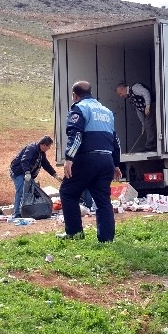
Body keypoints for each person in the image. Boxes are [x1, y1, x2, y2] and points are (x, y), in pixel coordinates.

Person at [59, 80, 121, 242]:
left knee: (68, 192)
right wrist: (116, 164)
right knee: (102, 200)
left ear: (75, 96)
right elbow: (115, 141)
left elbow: (76, 135)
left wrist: (69, 158)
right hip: (106, 160)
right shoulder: (107, 111)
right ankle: (106, 239)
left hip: (87, 158)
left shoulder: (79, 108)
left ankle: (74, 233)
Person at [9, 136, 58, 220]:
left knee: (28, 193)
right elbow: (24, 160)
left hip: (27, 174)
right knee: (20, 191)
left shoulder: (41, 153)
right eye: (48, 146)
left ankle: (24, 212)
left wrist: (55, 175)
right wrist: (27, 172)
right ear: (43, 145)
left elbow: (46, 165)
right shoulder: (31, 148)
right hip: (18, 172)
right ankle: (16, 214)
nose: (49, 148)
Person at [116, 81, 157, 152]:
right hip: (146, 109)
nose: (121, 96)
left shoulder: (135, 88)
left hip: (152, 105)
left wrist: (148, 106)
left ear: (123, 89)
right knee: (147, 125)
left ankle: (151, 146)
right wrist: (143, 124)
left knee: (149, 125)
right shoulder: (131, 98)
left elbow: (146, 93)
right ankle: (151, 145)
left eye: (120, 93)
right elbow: (138, 110)